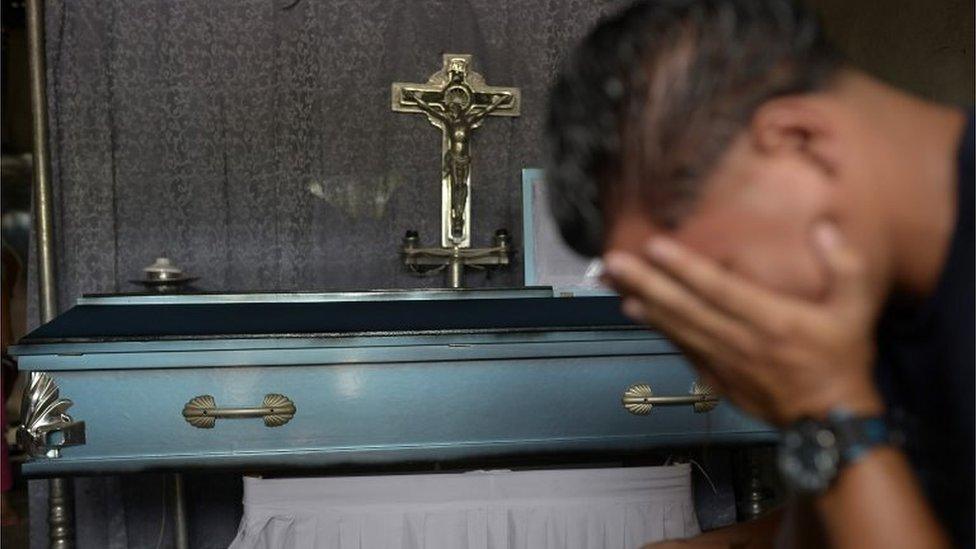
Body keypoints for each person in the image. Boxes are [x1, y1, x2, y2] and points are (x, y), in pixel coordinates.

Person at [546, 1, 973, 547]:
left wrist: (830, 410)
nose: (725, 322)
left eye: (718, 276)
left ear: (799, 140)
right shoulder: (867, 288)